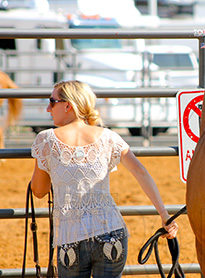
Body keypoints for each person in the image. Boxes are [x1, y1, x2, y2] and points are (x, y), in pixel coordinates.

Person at [30, 80, 178, 278]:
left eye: (52, 101)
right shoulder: (109, 137)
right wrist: (164, 215)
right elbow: (141, 172)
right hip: (111, 233)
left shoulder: (46, 140)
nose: (48, 108)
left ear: (68, 105)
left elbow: (39, 191)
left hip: (70, 240)